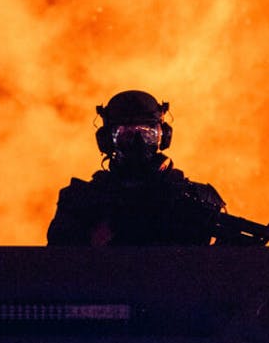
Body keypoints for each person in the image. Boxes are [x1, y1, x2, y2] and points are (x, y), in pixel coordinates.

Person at [47, 90, 228, 246]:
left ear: (163, 136)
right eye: (126, 134)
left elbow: (224, 268)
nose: (138, 143)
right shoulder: (82, 201)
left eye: (148, 134)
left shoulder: (198, 200)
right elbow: (58, 265)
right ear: (107, 140)